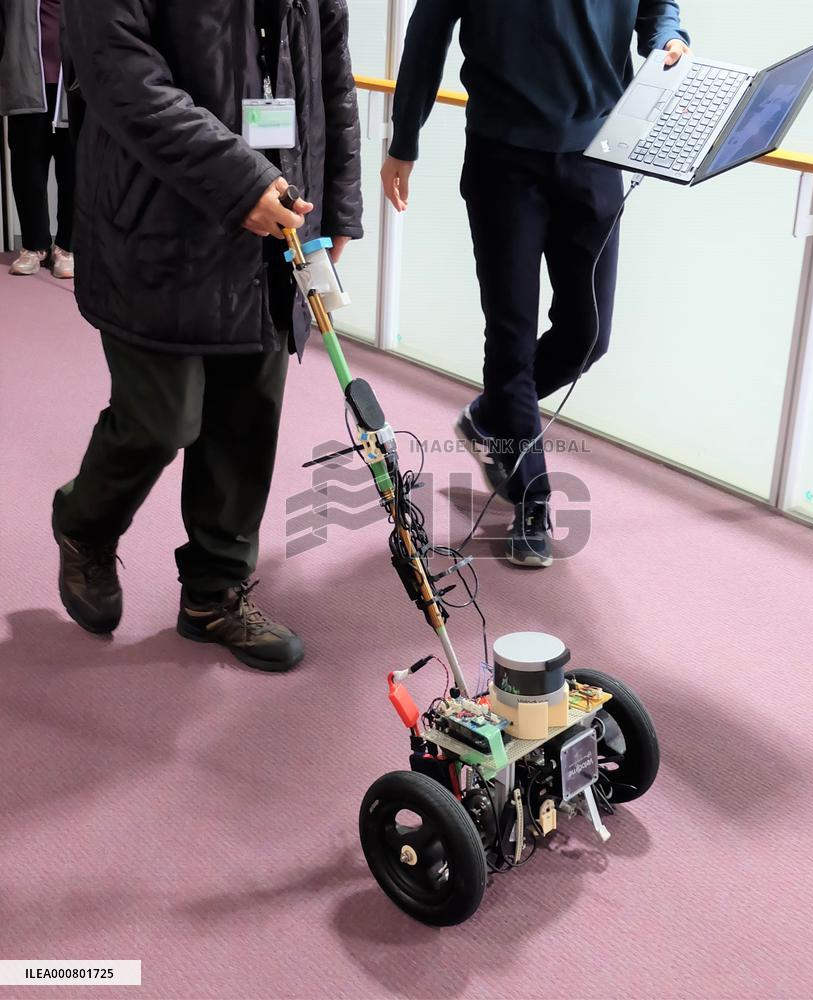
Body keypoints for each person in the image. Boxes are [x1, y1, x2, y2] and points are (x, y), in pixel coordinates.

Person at [52, 0, 363, 672]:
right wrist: (239, 180)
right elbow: (121, 77)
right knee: (161, 418)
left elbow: (331, 68)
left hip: (275, 219)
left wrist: (340, 199)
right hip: (154, 226)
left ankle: (213, 594)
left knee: (250, 413)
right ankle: (85, 525)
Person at [382, 1, 690, 568]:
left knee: (588, 336)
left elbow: (658, 7)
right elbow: (428, 31)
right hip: (505, 158)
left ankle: (492, 416)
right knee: (511, 338)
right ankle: (533, 499)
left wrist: (667, 38)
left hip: (599, 151)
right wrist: (405, 139)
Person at [0, 0, 75, 278]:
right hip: (26, 84)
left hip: (75, 90)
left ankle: (68, 247)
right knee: (27, 170)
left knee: (74, 172)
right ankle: (34, 246)